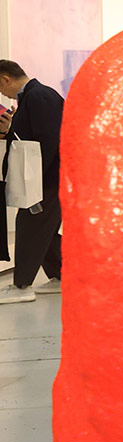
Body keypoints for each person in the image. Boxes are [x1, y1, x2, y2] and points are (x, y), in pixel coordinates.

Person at [0, 61, 64, 304]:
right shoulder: (33, 97)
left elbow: (50, 139)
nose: (2, 94)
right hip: (45, 178)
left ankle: (21, 285)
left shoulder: (39, 96)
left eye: (0, 87)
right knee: (42, 228)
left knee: (30, 224)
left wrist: (38, 178)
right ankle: (61, 276)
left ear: (6, 78)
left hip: (46, 179)